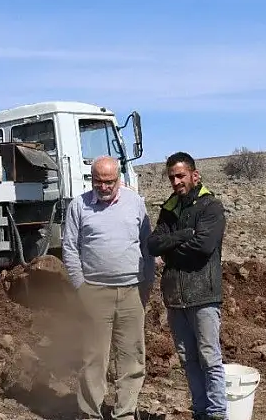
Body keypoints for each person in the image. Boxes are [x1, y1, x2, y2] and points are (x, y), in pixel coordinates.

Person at [61, 155, 155, 420]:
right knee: (93, 358)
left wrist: (147, 282)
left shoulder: (135, 202)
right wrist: (81, 287)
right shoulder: (79, 205)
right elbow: (70, 249)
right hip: (94, 292)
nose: (103, 187)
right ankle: (91, 414)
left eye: (109, 182)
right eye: (98, 181)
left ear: (119, 180)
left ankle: (124, 413)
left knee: (132, 357)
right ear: (92, 179)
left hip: (131, 292)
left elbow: (147, 246)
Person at [147, 152, 228, 420]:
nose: (176, 181)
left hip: (203, 294)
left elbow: (203, 247)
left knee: (209, 358)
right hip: (176, 297)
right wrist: (182, 236)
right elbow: (153, 245)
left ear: (195, 175)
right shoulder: (170, 208)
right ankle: (200, 412)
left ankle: (217, 413)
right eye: (172, 177)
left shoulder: (210, 207)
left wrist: (170, 250)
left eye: (181, 175)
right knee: (188, 359)